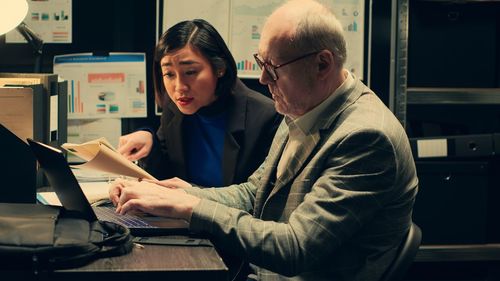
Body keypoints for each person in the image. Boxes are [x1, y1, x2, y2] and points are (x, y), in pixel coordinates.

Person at [110, 1, 418, 280]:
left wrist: (192, 207)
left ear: (322, 64)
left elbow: (295, 248)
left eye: (273, 69)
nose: (262, 80)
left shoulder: (365, 138)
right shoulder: (304, 107)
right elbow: (254, 192)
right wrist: (181, 195)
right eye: (261, 64)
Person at [117, 19, 282, 187]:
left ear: (219, 68)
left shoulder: (266, 116)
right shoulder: (174, 108)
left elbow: (259, 199)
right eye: (169, 74)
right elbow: (165, 173)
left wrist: (193, 195)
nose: (179, 87)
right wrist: (149, 140)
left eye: (190, 72)